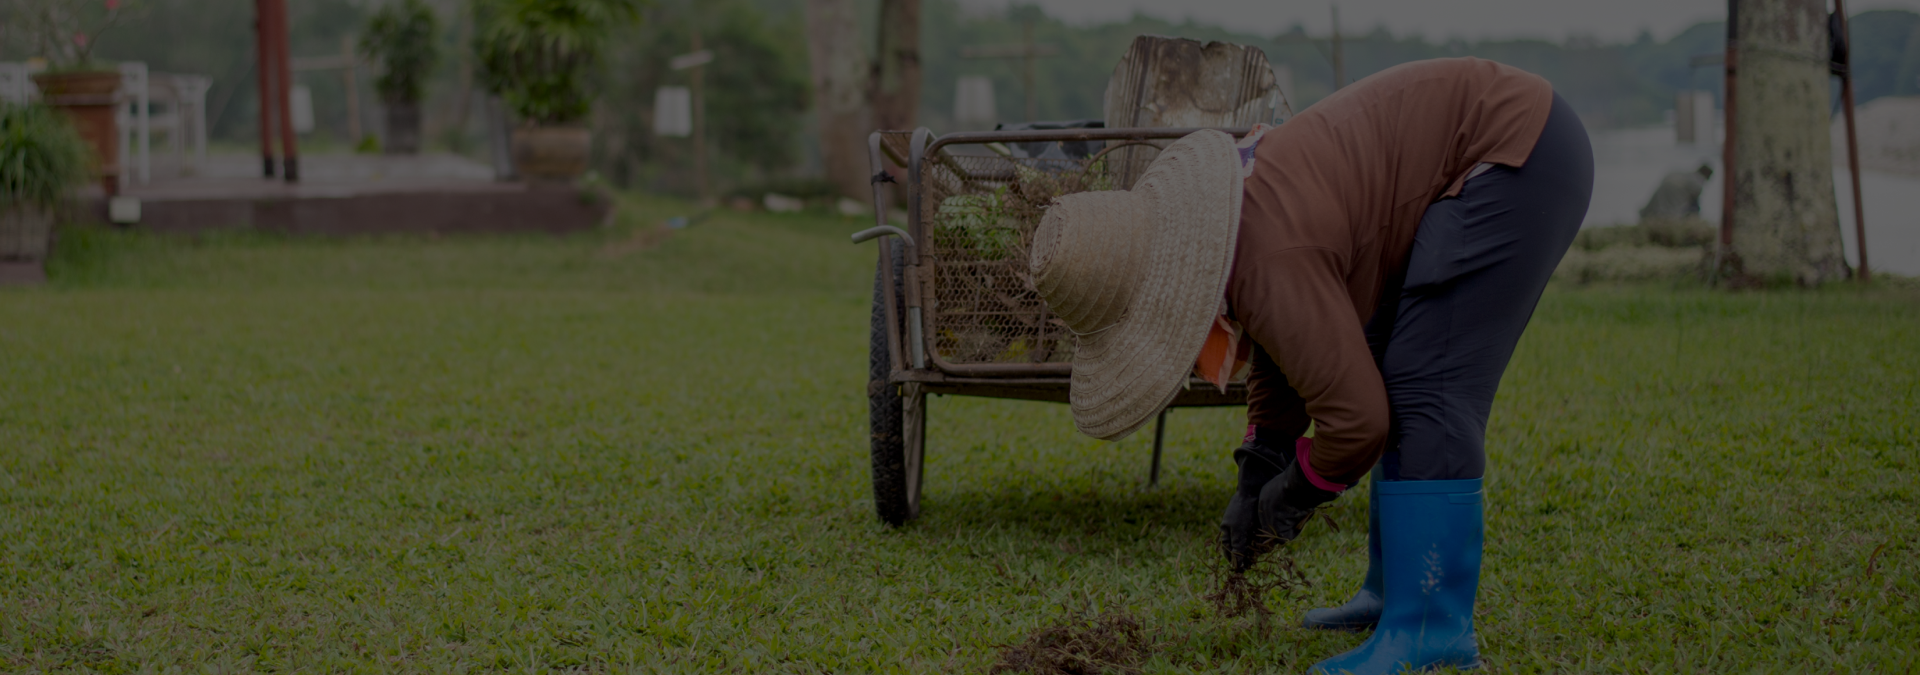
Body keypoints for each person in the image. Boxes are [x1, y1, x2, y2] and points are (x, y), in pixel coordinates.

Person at [1027, 57, 1593, 674]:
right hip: (1491, 145)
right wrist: (1259, 462)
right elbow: (1283, 338)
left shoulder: (1269, 256)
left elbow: (1356, 424)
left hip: (1513, 156)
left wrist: (1289, 498)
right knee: (1386, 371)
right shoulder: (1246, 233)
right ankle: (1392, 595)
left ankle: (1433, 627)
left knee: (1426, 387)